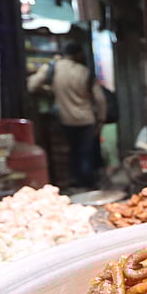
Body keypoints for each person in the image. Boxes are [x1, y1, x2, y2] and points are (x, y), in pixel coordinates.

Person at [27, 41, 105, 190]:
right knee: (86, 153)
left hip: (66, 120)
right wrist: (101, 120)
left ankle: (75, 183)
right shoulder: (84, 72)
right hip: (86, 119)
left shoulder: (52, 68)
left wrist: (49, 89)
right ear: (78, 54)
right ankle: (88, 186)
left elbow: (31, 86)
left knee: (74, 151)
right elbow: (100, 99)